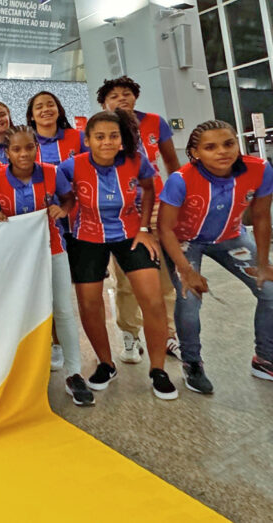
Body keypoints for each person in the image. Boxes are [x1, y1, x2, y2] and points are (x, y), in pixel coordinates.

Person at [56, 109, 178, 400]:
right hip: (87, 237)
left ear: (122, 140)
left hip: (131, 234)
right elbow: (64, 198)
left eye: (113, 136)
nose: (107, 142)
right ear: (88, 140)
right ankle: (106, 364)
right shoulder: (70, 167)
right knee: (89, 304)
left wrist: (146, 226)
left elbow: (149, 189)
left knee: (153, 299)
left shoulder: (137, 160)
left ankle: (158, 370)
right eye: (99, 137)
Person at [158, 120, 273, 390]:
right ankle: (192, 363)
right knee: (189, 298)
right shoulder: (181, 180)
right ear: (196, 153)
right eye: (210, 147)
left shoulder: (260, 170)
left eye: (228, 143)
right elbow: (164, 228)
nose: (222, 151)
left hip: (231, 237)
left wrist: (264, 263)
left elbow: (260, 217)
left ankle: (265, 359)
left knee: (269, 290)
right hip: (185, 241)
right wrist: (187, 271)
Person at [0, 126, 94, 406]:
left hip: (53, 249)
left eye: (29, 147)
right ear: (6, 152)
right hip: (14, 256)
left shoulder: (51, 173)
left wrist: (63, 209)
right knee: (20, 310)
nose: (24, 154)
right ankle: (23, 373)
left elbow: (68, 197)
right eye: (17, 149)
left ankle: (74, 373)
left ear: (36, 147)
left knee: (63, 310)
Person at [97, 76, 181, 363]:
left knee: (163, 274)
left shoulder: (155, 122)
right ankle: (129, 333)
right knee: (125, 276)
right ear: (104, 103)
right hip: (120, 212)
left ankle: (169, 333)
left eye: (127, 93)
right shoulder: (101, 129)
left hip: (156, 204)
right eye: (114, 95)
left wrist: (175, 200)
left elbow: (172, 165)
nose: (122, 98)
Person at [26, 91, 88, 165]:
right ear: (31, 116)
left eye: (51, 105)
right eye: (39, 107)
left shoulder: (79, 137)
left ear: (59, 111)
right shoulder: (25, 143)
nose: (46, 109)